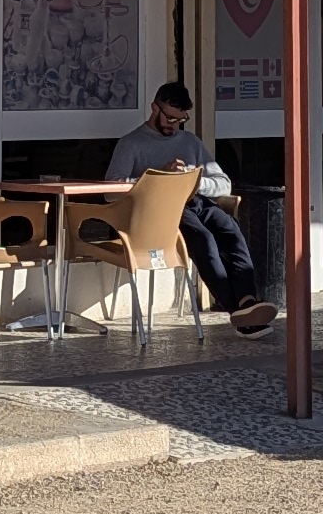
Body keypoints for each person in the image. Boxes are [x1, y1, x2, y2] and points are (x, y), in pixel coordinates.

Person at [105, 81, 277, 335]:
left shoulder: (190, 142)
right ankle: (237, 311)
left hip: (195, 200)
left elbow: (224, 184)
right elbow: (111, 189)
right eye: (170, 118)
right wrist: (159, 176)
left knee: (230, 229)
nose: (174, 125)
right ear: (154, 108)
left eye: (180, 120)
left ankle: (247, 301)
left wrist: (193, 179)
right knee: (203, 238)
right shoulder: (131, 143)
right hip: (160, 209)